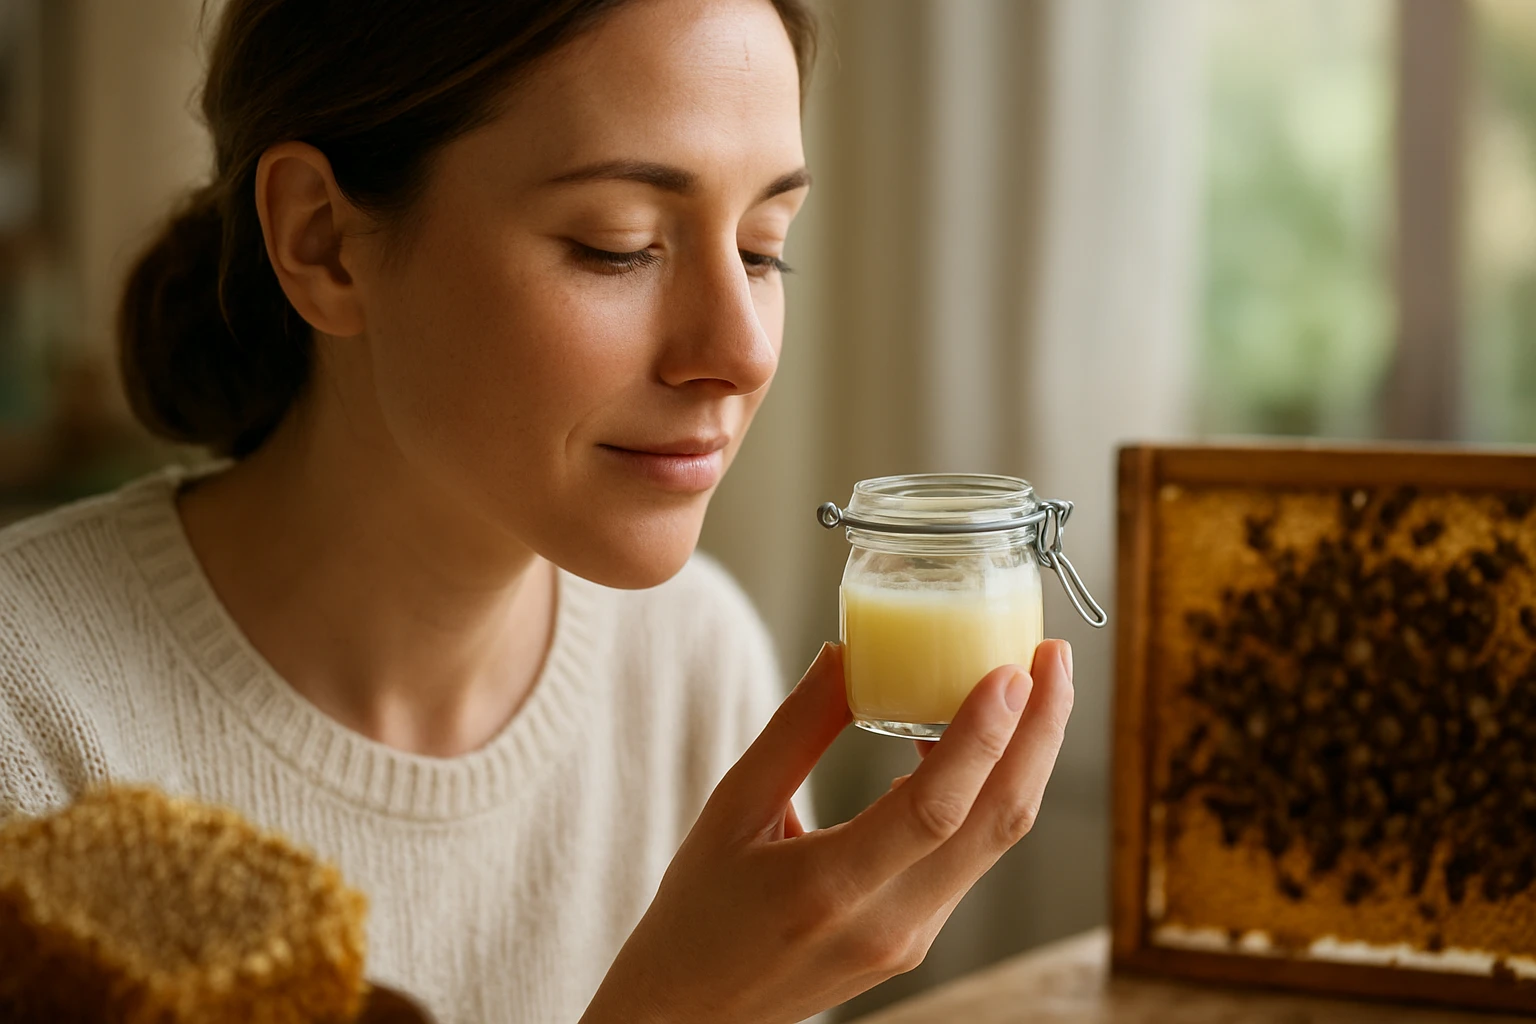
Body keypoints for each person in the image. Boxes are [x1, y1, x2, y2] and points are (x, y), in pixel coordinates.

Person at [0, 1, 1075, 1021]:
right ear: (324, 241)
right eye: (618, 243)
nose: (742, 349)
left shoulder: (695, 661)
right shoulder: (31, 709)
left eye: (762, 247)